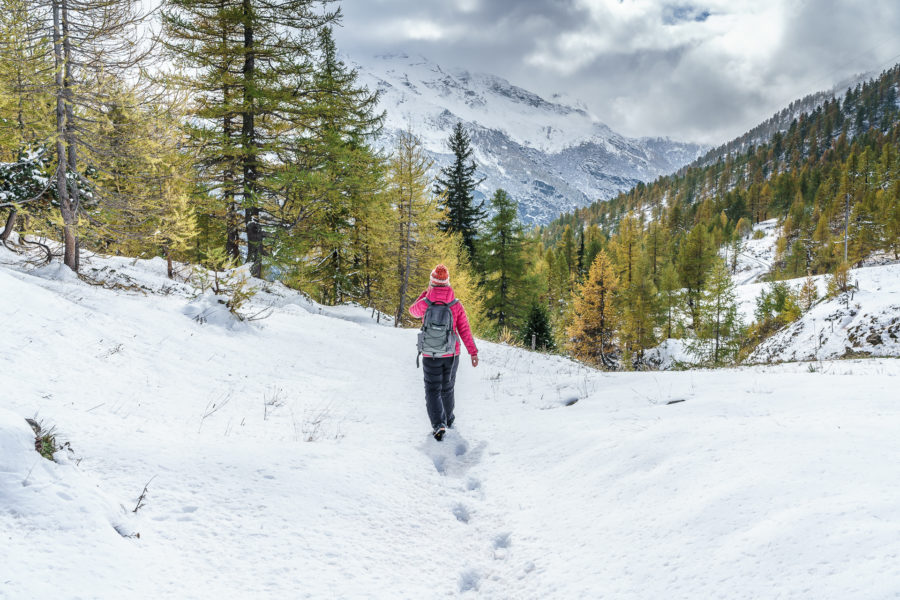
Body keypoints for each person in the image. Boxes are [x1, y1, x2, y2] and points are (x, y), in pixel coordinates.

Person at [409, 264, 478, 441]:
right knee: (447, 388)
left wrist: (425, 295)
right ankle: (448, 419)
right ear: (447, 283)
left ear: (432, 282)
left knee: (432, 390)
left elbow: (413, 312)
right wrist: (473, 352)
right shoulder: (455, 305)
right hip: (451, 354)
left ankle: (438, 424)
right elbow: (464, 330)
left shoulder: (426, 303)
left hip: (430, 354)